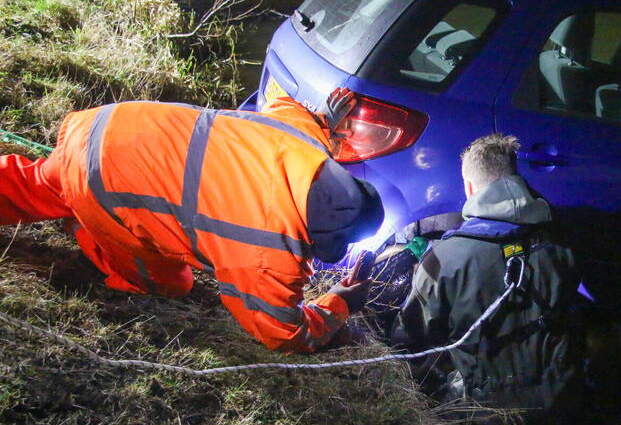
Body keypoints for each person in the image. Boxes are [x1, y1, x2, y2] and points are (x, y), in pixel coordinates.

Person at [0, 89, 382, 352]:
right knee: (171, 284)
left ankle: (58, 188)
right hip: (102, 184)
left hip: (106, 124)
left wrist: (327, 124)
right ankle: (85, 225)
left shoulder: (304, 145)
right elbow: (281, 333)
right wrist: (342, 303)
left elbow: (290, 110)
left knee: (41, 180)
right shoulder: (267, 254)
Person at [398, 133, 582, 425]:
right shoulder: (561, 242)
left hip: (483, 418)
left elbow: (408, 340)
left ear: (469, 187)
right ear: (515, 178)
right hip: (560, 402)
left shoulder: (446, 257)